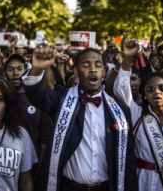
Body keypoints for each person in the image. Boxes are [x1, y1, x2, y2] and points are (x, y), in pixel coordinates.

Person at [21, 46, 138, 191]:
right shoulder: (62, 99)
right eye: (86, 65)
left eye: (98, 65)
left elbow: (128, 159)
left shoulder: (120, 110)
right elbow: (38, 97)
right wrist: (37, 69)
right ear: (76, 70)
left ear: (103, 71)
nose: (92, 69)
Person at [113, 39, 163, 191]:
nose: (156, 91)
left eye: (162, 88)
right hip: (141, 181)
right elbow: (121, 88)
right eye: (150, 88)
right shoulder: (137, 114)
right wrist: (128, 57)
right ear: (145, 94)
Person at [0, 48, 53, 178]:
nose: (16, 73)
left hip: (29, 170)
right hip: (1, 167)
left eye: (19, 68)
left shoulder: (38, 99)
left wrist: (39, 170)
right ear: (5, 73)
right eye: (11, 69)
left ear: (26, 71)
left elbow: (44, 138)